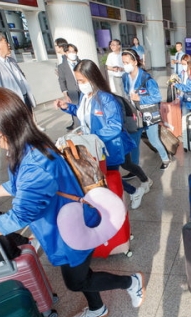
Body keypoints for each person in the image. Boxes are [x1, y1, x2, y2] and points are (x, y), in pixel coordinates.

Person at [0, 88, 145, 317]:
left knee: (76, 281)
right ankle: (97, 307)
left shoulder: (35, 161)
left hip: (74, 231)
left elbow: (17, 218)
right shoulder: (23, 148)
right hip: (62, 227)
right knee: (78, 274)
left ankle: (132, 282)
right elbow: (16, 186)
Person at [55, 59, 152, 209]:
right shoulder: (85, 96)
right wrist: (66, 107)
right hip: (93, 145)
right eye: (78, 81)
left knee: (110, 174)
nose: (80, 84)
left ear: (92, 78)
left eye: (82, 80)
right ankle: (134, 190)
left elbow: (114, 126)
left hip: (109, 146)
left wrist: (91, 135)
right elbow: (82, 113)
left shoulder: (106, 99)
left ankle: (135, 191)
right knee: (106, 174)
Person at [121, 49, 171, 170]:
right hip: (135, 114)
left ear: (134, 62)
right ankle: (134, 167)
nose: (125, 65)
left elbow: (157, 97)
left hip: (148, 113)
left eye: (127, 62)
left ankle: (165, 158)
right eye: (123, 62)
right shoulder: (125, 77)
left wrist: (140, 98)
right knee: (134, 142)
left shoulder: (147, 79)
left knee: (153, 140)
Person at [0, 32, 36, 113]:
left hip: (25, 99)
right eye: (5, 42)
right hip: (12, 105)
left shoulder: (11, 60)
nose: (8, 45)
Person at [58, 43, 81, 130]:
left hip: (83, 90)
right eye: (70, 51)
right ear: (66, 53)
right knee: (75, 111)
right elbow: (62, 81)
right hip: (72, 92)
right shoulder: (62, 67)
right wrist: (65, 94)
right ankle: (79, 129)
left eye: (74, 51)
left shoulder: (81, 63)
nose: (72, 53)